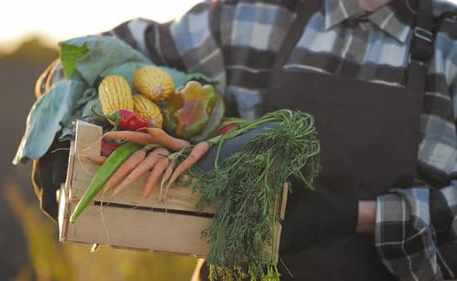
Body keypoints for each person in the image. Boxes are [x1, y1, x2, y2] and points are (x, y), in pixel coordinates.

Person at [29, 0, 457, 280]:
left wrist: (349, 216)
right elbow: (87, 57)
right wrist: (65, 133)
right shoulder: (256, 14)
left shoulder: (448, 42)